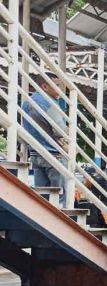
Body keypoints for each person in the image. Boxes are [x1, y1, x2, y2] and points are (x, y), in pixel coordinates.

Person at [22, 73, 68, 207]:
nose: (60, 89)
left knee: (42, 198)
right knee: (59, 199)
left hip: (36, 153)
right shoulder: (50, 104)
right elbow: (61, 131)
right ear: (45, 86)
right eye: (57, 85)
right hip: (54, 155)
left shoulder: (27, 103)